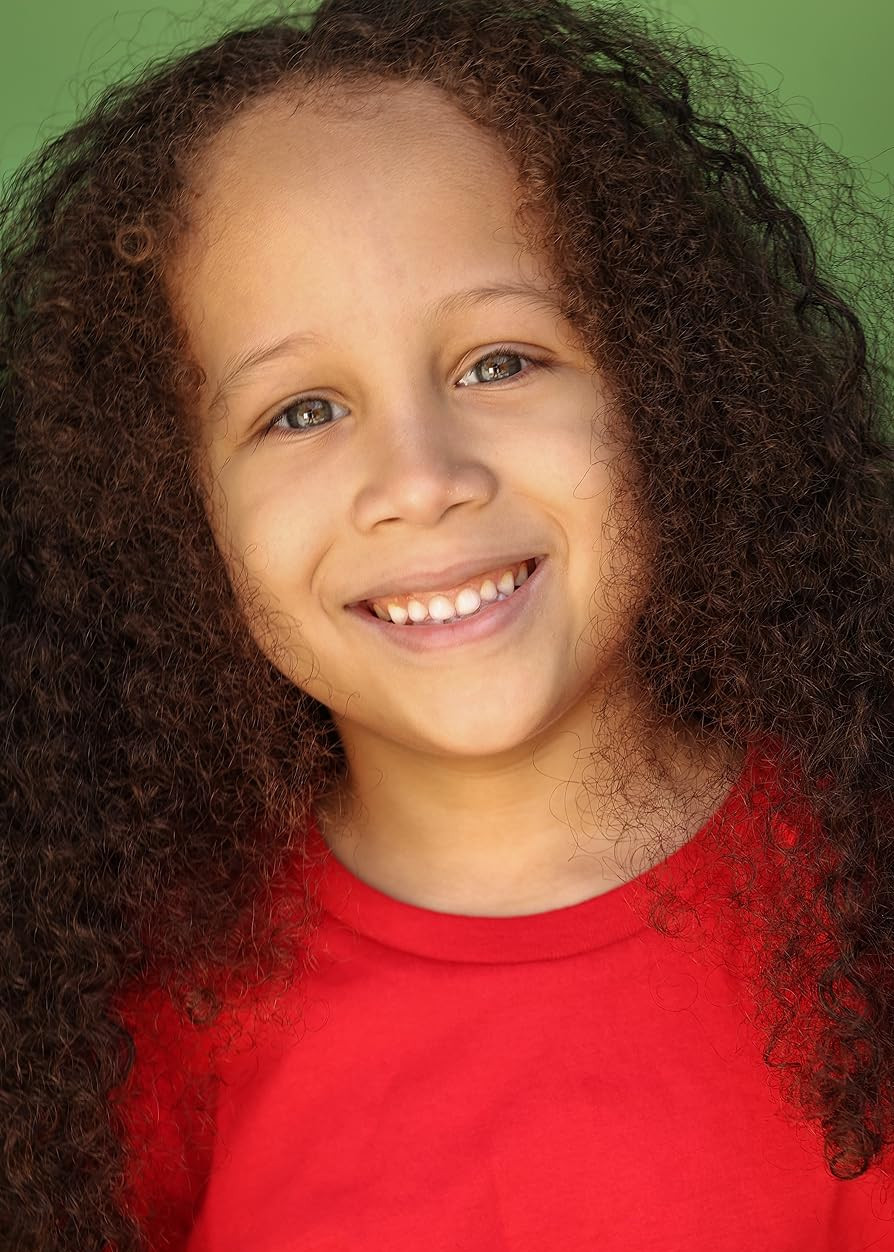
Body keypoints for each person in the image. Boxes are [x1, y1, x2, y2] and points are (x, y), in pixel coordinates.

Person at [2, 0, 892, 1247]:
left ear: (672, 387)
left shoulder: (864, 917)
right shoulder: (116, 1028)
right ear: (172, 512)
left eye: (500, 362)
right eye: (301, 411)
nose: (422, 480)